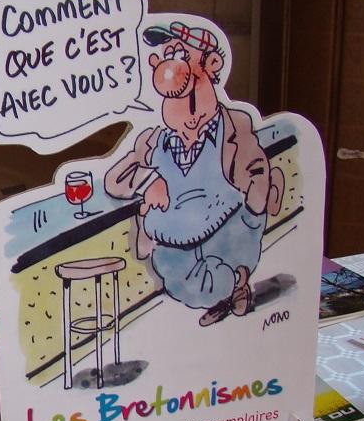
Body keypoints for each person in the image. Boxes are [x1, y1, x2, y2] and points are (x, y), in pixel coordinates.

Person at [104, 21, 284, 327]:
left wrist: (256, 199)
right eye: (169, 52)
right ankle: (231, 290)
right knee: (186, 284)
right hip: (176, 241)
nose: (172, 61)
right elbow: (114, 180)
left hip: (228, 231)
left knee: (227, 258)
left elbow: (256, 168)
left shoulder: (234, 125)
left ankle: (234, 282)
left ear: (211, 65)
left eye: (182, 52)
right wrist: (148, 181)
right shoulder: (153, 140)